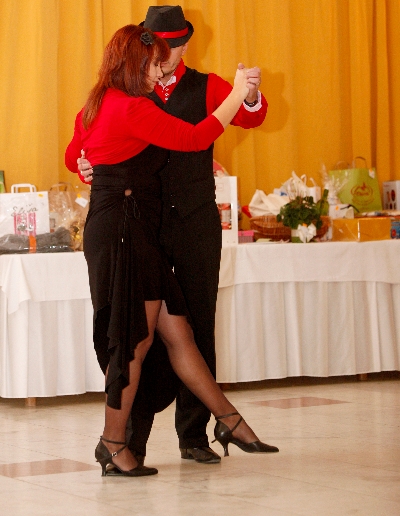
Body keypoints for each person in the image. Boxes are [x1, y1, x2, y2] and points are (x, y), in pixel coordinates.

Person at [65, 24, 278, 477]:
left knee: (179, 332)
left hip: (131, 225)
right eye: (154, 64)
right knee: (134, 341)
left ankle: (229, 421)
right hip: (125, 229)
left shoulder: (101, 100)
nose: (161, 71)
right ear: (134, 64)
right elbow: (195, 138)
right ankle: (113, 442)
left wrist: (86, 161)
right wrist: (236, 92)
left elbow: (76, 152)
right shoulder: (129, 106)